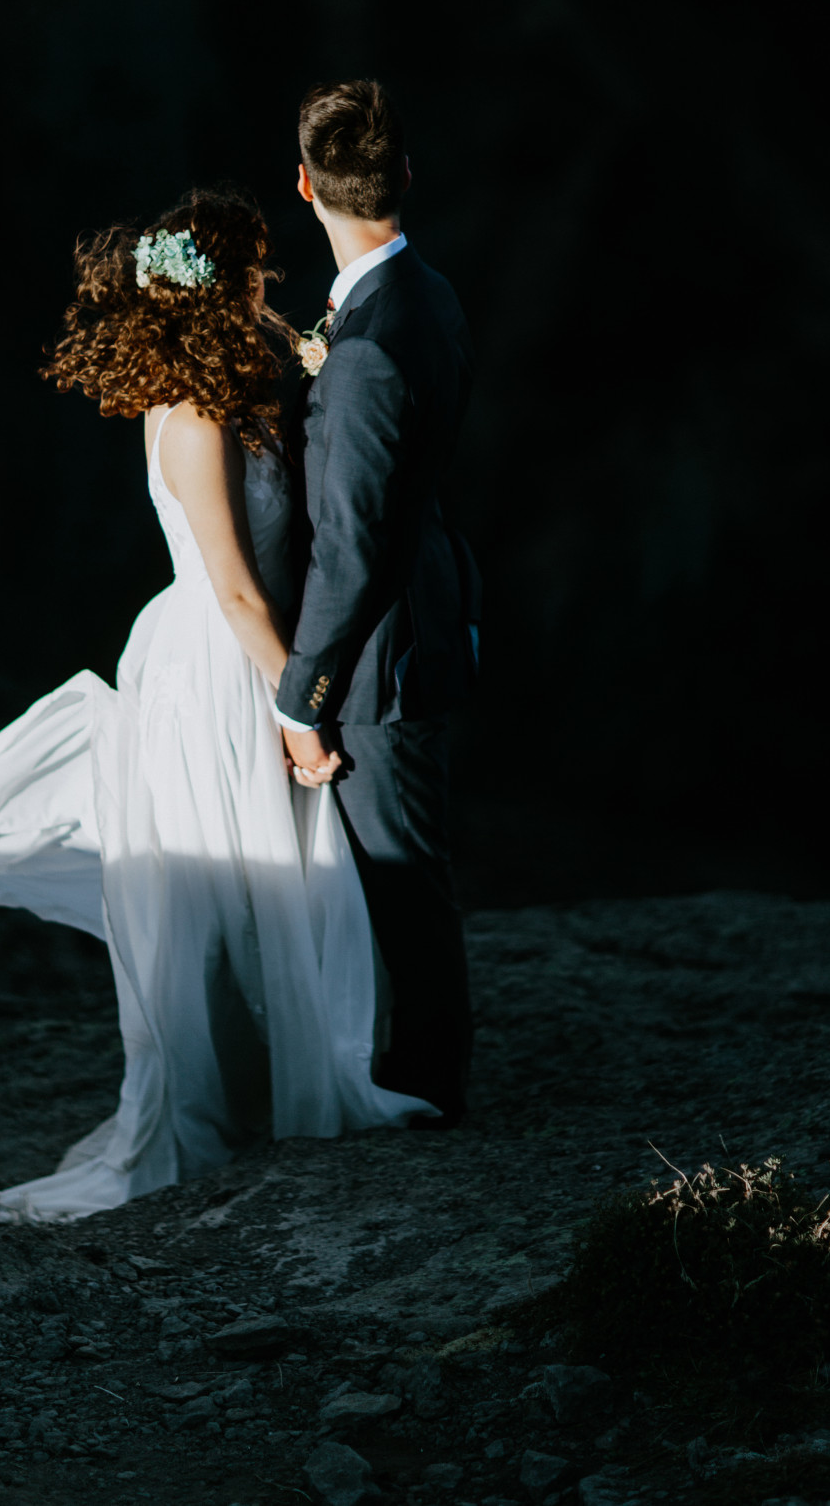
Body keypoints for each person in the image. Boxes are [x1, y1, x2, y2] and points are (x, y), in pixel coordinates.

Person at [0, 185, 429, 1224]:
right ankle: (235, 1099)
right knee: (242, 877)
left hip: (215, 650)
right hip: (212, 660)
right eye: (253, 271)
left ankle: (260, 1084)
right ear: (226, 282)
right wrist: (298, 705)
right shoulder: (195, 409)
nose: (268, 286)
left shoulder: (221, 383)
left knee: (255, 881)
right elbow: (233, 585)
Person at [272, 80, 477, 1127]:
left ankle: (427, 1080)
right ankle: (414, 1059)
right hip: (429, 613)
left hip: (378, 657)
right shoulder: (427, 293)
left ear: (305, 187)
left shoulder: (359, 351)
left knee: (400, 872)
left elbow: (348, 551)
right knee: (405, 866)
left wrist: (297, 695)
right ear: (403, 175)